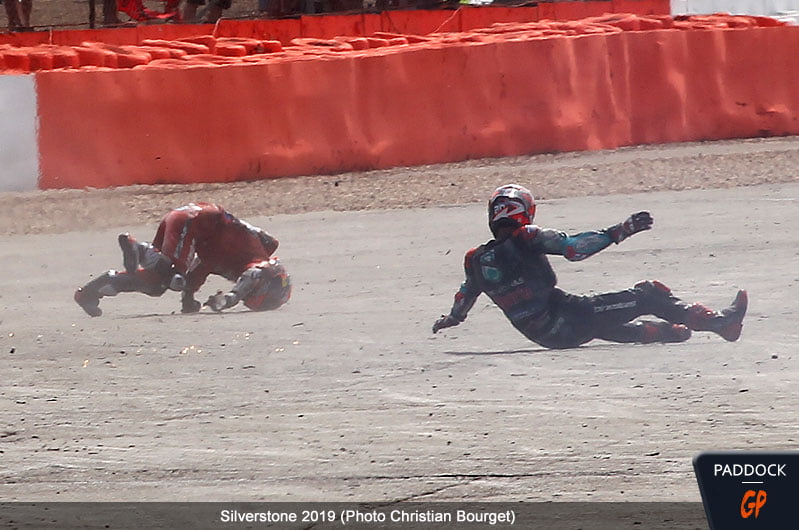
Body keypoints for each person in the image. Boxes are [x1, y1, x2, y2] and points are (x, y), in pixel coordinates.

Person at [432, 184, 748, 349]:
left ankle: (670, 333)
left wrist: (451, 319)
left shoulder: (475, 259)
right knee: (647, 294)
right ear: (524, 212)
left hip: (543, 335)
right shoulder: (526, 237)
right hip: (569, 320)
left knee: (603, 319)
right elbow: (574, 248)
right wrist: (619, 231)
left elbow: (464, 297)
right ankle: (720, 322)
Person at [74, 202, 291, 317]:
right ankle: (137, 248)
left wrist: (188, 299)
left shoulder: (230, 260)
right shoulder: (260, 258)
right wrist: (230, 299)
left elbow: (199, 270)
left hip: (190, 219)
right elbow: (255, 273)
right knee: (173, 276)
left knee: (157, 285)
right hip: (198, 220)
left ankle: (90, 292)